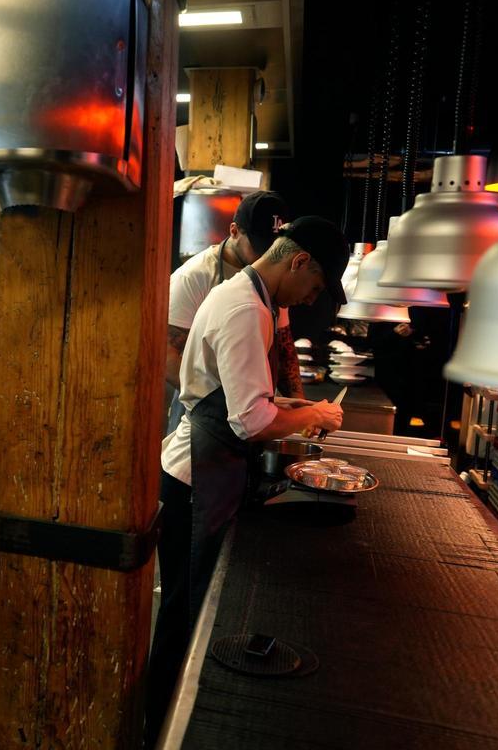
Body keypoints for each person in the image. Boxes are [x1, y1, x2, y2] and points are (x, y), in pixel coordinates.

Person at [144, 216, 350, 744]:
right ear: (299, 261)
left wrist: (290, 403)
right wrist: (314, 417)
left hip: (199, 470)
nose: (310, 298)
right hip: (195, 478)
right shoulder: (244, 308)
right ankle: (161, 728)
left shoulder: (247, 296)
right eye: (316, 285)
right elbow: (249, 421)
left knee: (185, 610)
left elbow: (243, 396)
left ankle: (160, 722)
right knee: (186, 613)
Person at [165, 190, 306, 434]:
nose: (264, 255)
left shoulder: (273, 279)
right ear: (233, 231)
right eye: (258, 245)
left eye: (272, 247)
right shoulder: (195, 277)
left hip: (250, 409)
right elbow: (165, 357)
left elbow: (284, 347)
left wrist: (302, 410)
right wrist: (224, 402)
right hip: (199, 411)